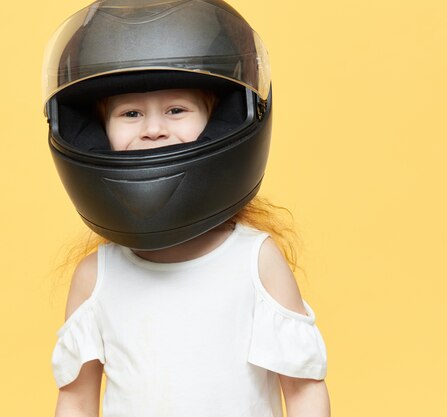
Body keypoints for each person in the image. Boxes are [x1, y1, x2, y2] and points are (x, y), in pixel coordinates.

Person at [42, 1, 330, 416]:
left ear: (220, 122)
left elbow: (304, 389)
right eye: (130, 113)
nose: (154, 128)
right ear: (96, 131)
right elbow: (76, 398)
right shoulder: (96, 276)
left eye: (176, 109)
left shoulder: (255, 260)